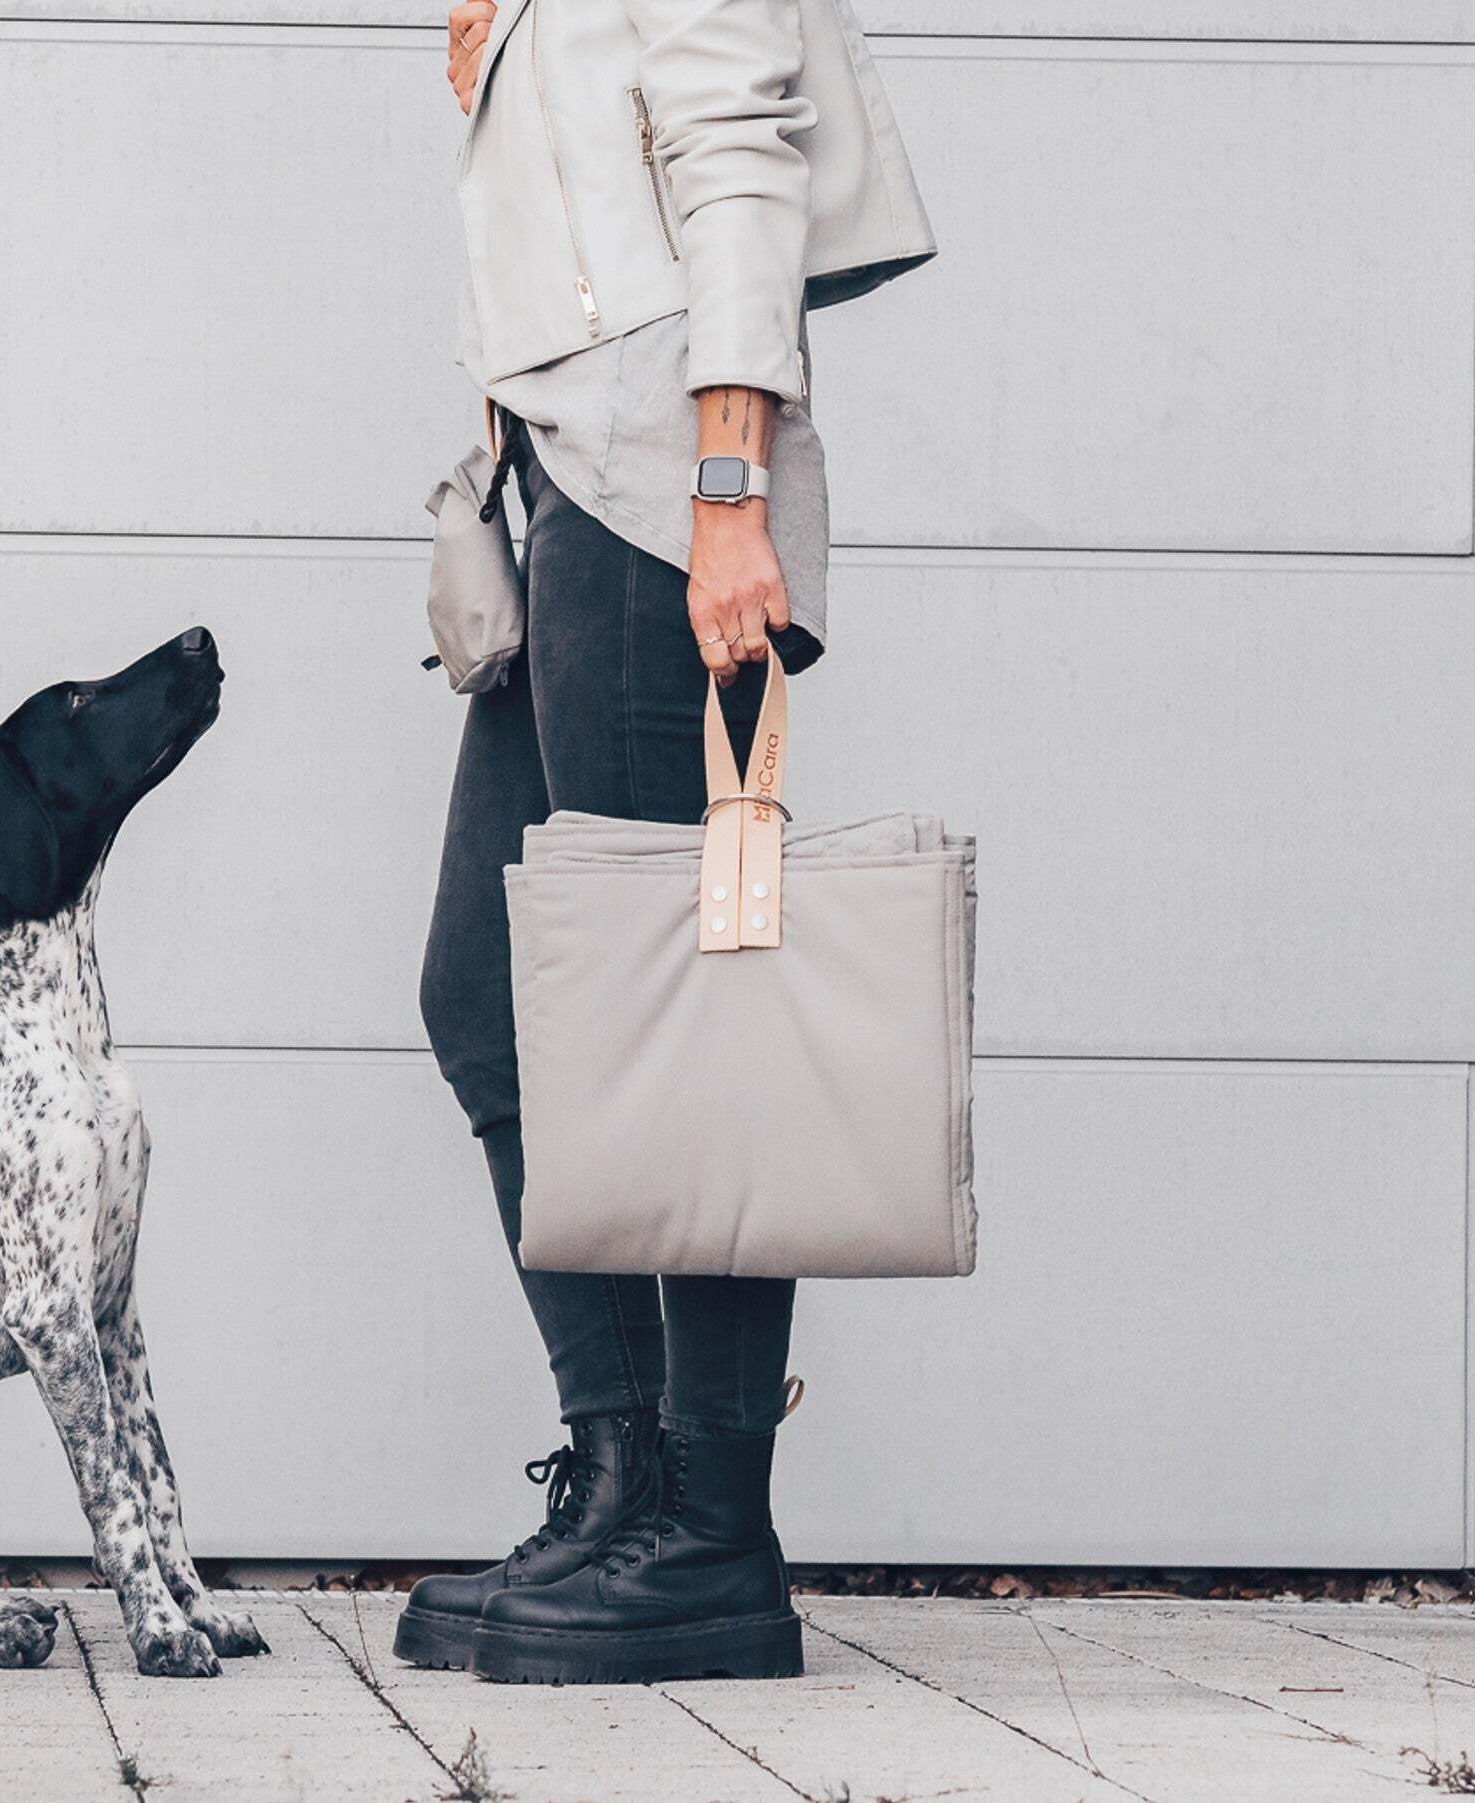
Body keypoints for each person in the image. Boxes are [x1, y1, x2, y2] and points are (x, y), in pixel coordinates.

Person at [401, 0, 934, 1683]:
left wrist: (727, 497)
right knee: (489, 1000)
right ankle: (625, 1479)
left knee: (689, 1029)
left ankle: (711, 1533)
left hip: (660, 489)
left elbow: (739, 169)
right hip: (578, 479)